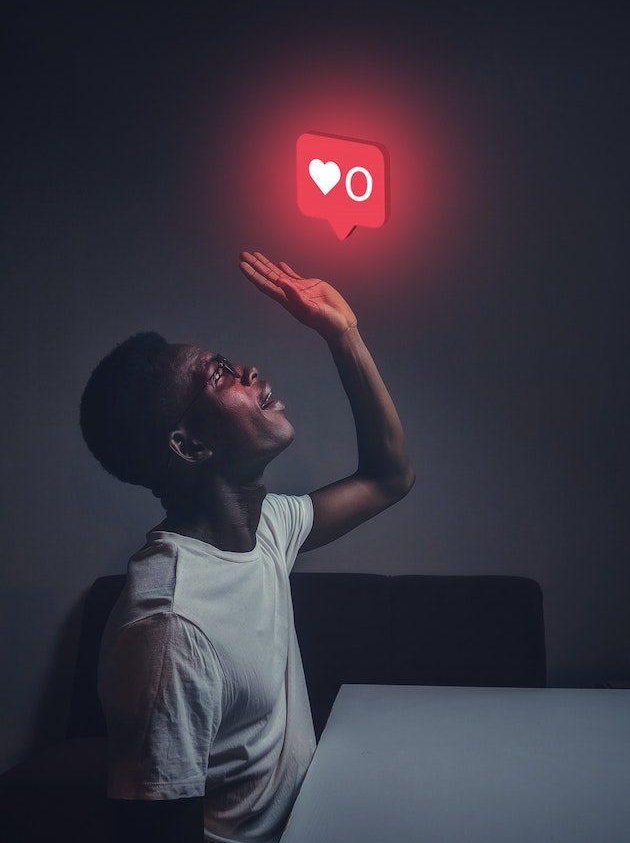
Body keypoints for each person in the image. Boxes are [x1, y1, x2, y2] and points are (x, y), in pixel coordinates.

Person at [79, 250, 415, 843]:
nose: (249, 371)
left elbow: (389, 477)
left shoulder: (265, 529)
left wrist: (345, 335)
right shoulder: (169, 629)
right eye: (220, 374)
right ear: (189, 446)